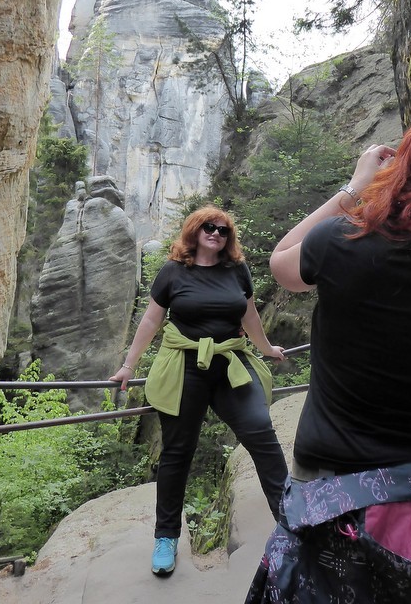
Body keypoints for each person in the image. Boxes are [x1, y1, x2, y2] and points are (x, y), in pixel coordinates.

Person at [244, 101, 411, 604]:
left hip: (338, 492)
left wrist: (353, 189)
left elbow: (282, 263)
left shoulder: (343, 241)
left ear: (410, 165)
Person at [110, 206, 288, 576]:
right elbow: (151, 319)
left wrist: (267, 347)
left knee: (260, 431)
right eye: (209, 227)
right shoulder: (173, 272)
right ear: (195, 230)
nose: (216, 233)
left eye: (223, 230)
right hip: (184, 367)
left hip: (229, 365)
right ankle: (166, 538)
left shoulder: (237, 270)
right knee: (178, 451)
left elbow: (249, 315)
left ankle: (290, 519)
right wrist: (129, 365)